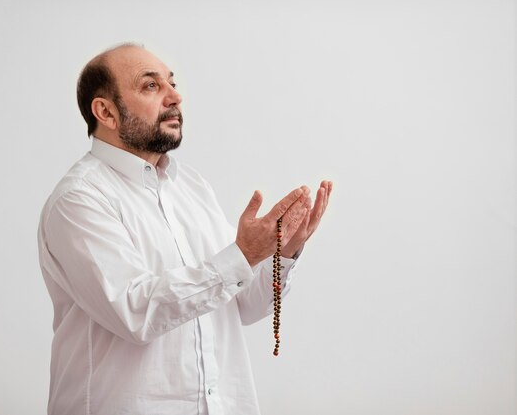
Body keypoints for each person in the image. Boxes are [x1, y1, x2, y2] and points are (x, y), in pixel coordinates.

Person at [37, 43, 333, 415]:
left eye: (171, 83)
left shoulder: (190, 186)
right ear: (106, 112)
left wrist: (284, 251)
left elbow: (240, 303)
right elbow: (135, 313)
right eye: (151, 86)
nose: (175, 96)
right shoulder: (78, 200)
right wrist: (243, 255)